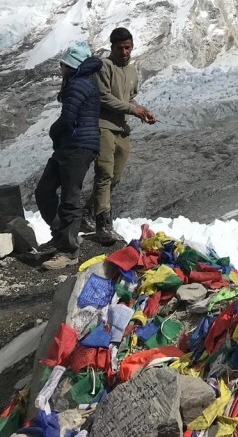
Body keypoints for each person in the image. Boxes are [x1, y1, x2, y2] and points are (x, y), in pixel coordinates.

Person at [85, 27, 157, 245]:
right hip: (104, 126)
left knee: (115, 176)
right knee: (104, 173)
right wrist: (132, 109)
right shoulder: (104, 67)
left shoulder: (133, 71)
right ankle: (103, 221)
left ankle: (88, 210)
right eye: (120, 48)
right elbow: (104, 98)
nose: (125, 52)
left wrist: (141, 111)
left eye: (128, 47)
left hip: (122, 128)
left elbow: (129, 99)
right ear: (112, 47)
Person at [35, 42, 102, 269]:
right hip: (71, 147)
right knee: (45, 190)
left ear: (70, 66)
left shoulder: (77, 85)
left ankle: (68, 251)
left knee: (70, 197)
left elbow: (68, 119)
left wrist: (54, 132)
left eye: (63, 64)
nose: (61, 68)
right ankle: (64, 235)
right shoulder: (82, 81)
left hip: (77, 147)